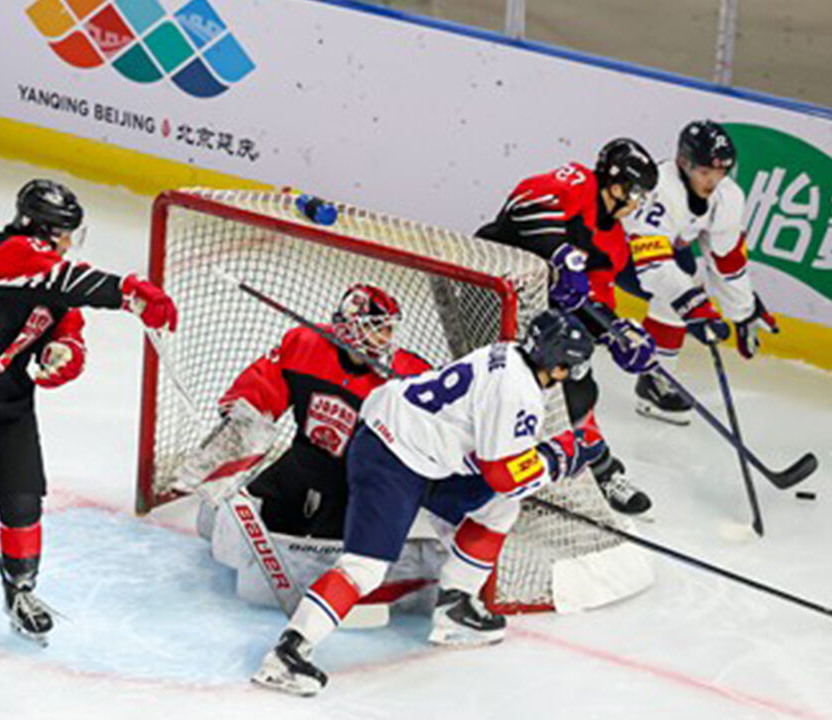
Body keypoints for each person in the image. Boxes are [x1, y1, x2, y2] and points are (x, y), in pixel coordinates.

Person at [251, 308, 656, 696]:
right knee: (365, 568)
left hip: (424, 450)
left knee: (498, 506)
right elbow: (505, 474)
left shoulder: (507, 351)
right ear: (559, 366)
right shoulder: (520, 393)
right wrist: (562, 456)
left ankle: (455, 606)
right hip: (391, 457)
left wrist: (551, 455)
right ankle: (287, 654)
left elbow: (493, 467)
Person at [0, 179, 178, 658]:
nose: (69, 241)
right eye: (65, 232)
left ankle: (19, 593)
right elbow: (67, 281)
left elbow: (69, 328)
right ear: (45, 231)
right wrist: (128, 293)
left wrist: (65, 352)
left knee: (23, 505)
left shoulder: (49, 273)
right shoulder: (7, 252)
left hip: (6, 404)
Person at [476, 138, 660, 515]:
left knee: (577, 386)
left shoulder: (615, 243)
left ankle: (600, 469)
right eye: (636, 193)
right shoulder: (578, 182)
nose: (637, 203)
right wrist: (561, 255)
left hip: (534, 319)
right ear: (616, 183)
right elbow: (523, 204)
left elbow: (596, 304)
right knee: (492, 391)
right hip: (489, 292)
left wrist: (616, 333)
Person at [178, 283, 430, 539]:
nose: (385, 338)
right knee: (245, 521)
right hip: (302, 460)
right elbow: (263, 386)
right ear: (351, 326)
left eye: (389, 329)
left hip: (355, 482)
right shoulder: (305, 344)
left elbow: (434, 429)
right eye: (376, 328)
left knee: (335, 547)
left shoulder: (409, 376)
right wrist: (240, 419)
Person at [624, 120, 778, 425]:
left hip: (664, 252)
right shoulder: (661, 188)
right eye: (705, 172)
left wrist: (743, 311)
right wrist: (693, 304)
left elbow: (727, 262)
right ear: (684, 163)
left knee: (686, 280)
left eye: (720, 172)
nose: (712, 181)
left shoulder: (727, 197)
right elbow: (653, 268)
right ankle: (655, 379)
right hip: (618, 250)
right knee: (677, 288)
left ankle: (655, 378)